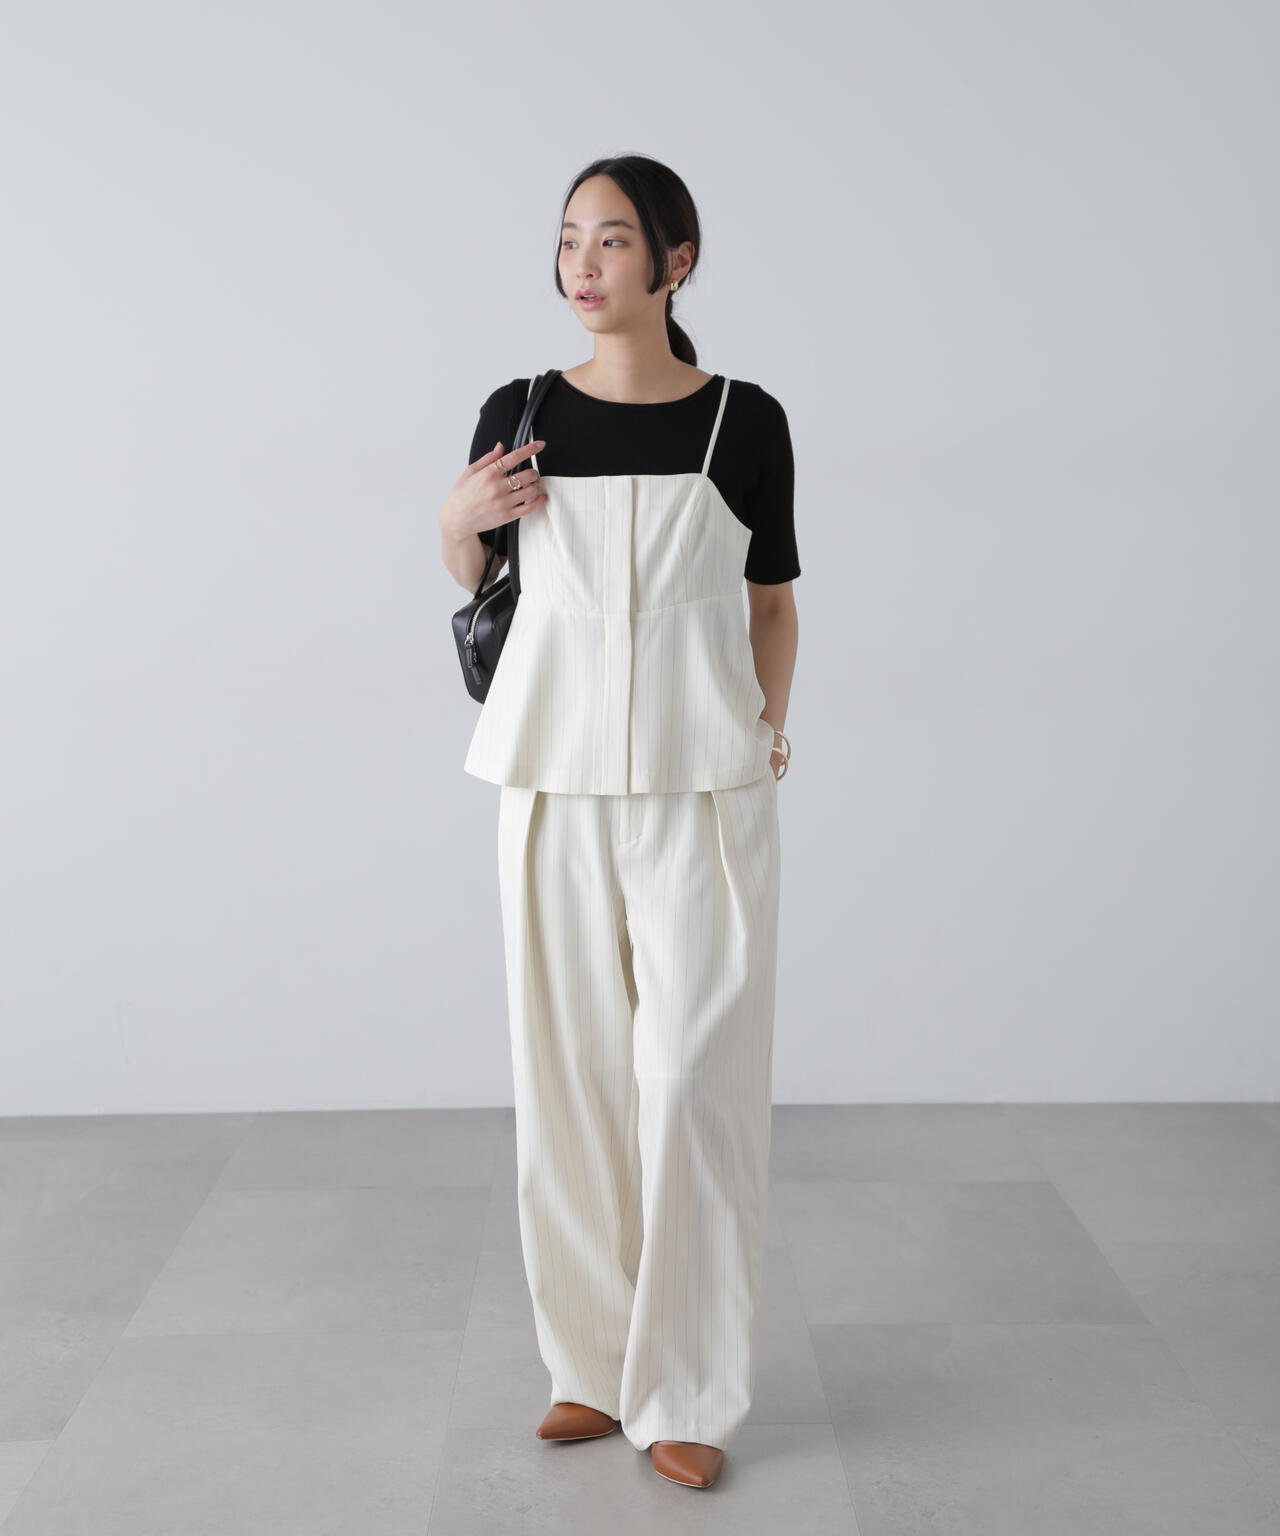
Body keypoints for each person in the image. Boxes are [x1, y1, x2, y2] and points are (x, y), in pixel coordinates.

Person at [439, 154, 800, 1490]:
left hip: (706, 788)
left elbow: (773, 601)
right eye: (568, 241)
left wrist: (764, 733)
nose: (583, 265)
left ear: (676, 260)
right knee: (568, 1075)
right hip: (552, 780)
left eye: (612, 240)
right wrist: (455, 519)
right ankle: (589, 1369)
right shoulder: (521, 409)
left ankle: (688, 1388)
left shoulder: (744, 421)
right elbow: (481, 577)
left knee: (696, 1083)